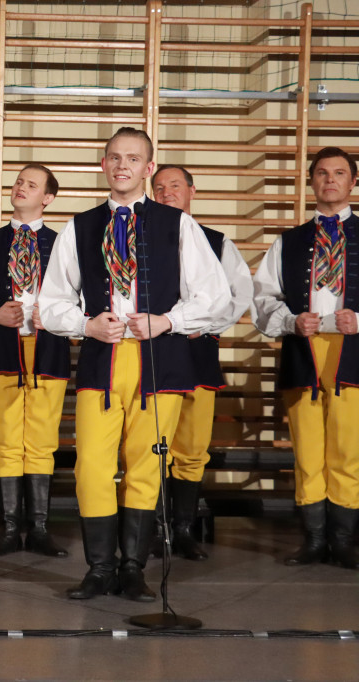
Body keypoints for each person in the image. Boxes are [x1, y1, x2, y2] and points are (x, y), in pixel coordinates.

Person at [39, 128, 230, 601]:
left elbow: (216, 297)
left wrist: (168, 320)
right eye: (114, 157)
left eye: (133, 159)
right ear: (103, 165)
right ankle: (100, 567)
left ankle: (133, 568)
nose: (122, 165)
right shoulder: (79, 226)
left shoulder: (177, 225)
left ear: (148, 168)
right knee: (91, 467)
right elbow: (51, 301)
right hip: (102, 360)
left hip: (159, 361)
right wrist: (86, 326)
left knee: (146, 467)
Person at [253, 146, 359, 570]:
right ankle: (314, 539)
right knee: (308, 452)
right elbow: (262, 300)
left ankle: (345, 541)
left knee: (348, 451)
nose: (329, 180)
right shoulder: (288, 242)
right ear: (311, 181)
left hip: (353, 354)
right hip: (304, 353)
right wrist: (292, 321)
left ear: (353, 182)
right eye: (321, 173)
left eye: (338, 173)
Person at [0, 164, 70, 558]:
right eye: (19, 181)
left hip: (48, 348)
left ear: (48, 198)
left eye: (32, 184)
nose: (22, 187)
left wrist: (53, 315)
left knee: (41, 441)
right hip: (2, 350)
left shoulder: (64, 245)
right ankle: (8, 529)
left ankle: (38, 529)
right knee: (5, 441)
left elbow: (82, 299)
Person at [150, 164, 252, 561]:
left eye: (175, 185)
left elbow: (238, 295)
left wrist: (204, 324)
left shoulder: (218, 243)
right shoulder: (141, 237)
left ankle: (184, 529)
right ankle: (154, 529)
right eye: (159, 187)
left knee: (192, 447)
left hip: (197, 353)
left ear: (193, 191)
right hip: (155, 356)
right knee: (154, 444)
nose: (167, 192)